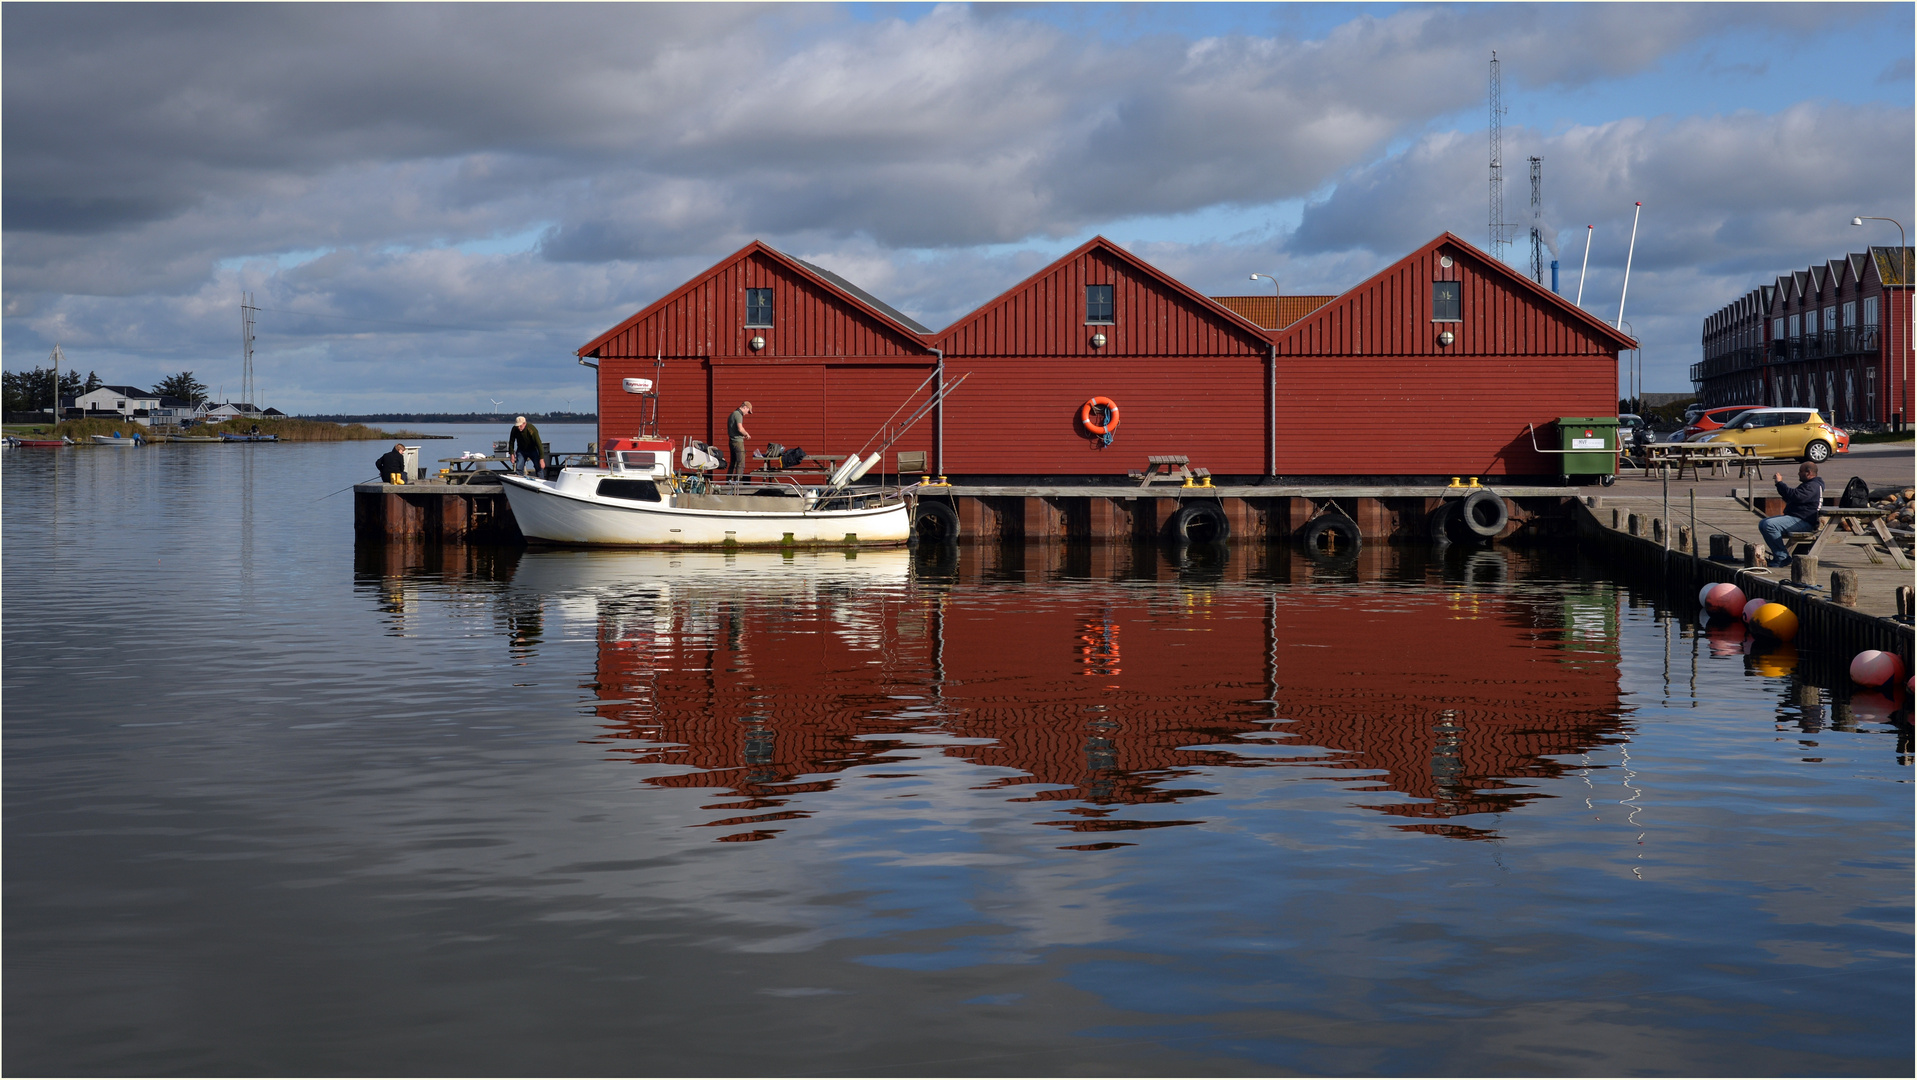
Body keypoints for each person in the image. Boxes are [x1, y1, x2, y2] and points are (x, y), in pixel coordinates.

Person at [1758, 462, 1823, 568]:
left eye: (1800, 471)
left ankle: (1782, 558)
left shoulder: (1813, 486)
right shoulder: (1809, 485)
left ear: (1808, 473)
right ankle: (1781, 556)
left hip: (1804, 522)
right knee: (1763, 523)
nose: (1798, 474)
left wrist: (1779, 483)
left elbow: (1795, 496)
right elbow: (1791, 497)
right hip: (1797, 519)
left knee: (1769, 525)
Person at [726, 400, 753, 481]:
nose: (747, 413)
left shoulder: (732, 414)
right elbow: (740, 428)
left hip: (732, 441)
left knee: (733, 463)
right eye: (748, 411)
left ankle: (728, 481)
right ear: (745, 407)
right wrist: (746, 434)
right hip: (738, 442)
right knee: (741, 463)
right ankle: (738, 483)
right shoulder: (738, 415)